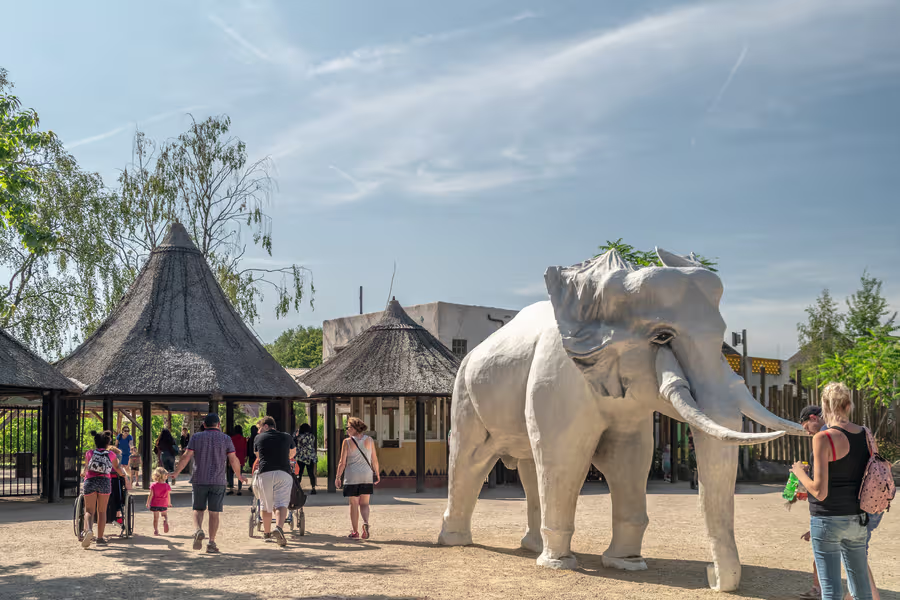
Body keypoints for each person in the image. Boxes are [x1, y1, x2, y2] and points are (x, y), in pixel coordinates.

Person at [791, 383, 873, 600]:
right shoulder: (866, 433)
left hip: (828, 519)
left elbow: (820, 491)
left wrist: (800, 473)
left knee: (831, 591)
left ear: (824, 405)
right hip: (858, 518)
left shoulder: (823, 438)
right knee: (862, 589)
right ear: (848, 404)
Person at [171, 413, 246, 554]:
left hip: (199, 478)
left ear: (204, 425)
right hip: (218, 480)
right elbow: (233, 459)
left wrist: (176, 473)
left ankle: (198, 530)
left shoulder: (196, 437)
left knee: (198, 509)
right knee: (214, 513)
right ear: (218, 425)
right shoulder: (226, 439)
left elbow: (186, 456)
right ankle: (211, 543)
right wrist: (239, 476)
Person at [80, 430, 130, 548]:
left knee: (88, 511)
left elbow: (86, 469)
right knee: (101, 511)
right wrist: (124, 475)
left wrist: (83, 474)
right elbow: (118, 469)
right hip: (104, 482)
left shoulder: (89, 453)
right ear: (107, 444)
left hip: (90, 481)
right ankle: (100, 538)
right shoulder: (111, 454)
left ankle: (89, 530)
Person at [253, 416, 296, 546]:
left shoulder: (258, 438)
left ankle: (266, 533)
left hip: (265, 473)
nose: (259, 430)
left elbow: (258, 456)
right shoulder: (287, 436)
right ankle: (278, 527)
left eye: (260, 427)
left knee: (266, 505)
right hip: (284, 472)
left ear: (266, 426)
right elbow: (293, 453)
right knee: (281, 504)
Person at [335, 417, 380, 539]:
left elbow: (342, 462)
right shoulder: (370, 440)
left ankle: (355, 532)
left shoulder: (347, 442)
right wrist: (377, 473)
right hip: (366, 476)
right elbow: (374, 459)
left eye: (348, 427)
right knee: (365, 503)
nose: (347, 430)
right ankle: (365, 523)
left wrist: (338, 476)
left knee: (354, 504)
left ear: (354, 428)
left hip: (352, 477)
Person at [147, 467, 173, 536]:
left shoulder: (153, 485)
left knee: (155, 518)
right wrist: (169, 503)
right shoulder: (167, 486)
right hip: (163, 503)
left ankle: (156, 530)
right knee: (164, 515)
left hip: (155, 503)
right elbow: (168, 495)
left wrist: (148, 503)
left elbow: (150, 495)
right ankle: (165, 520)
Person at [295, 422, 318, 494]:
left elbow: (293, 437)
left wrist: (297, 431)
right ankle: (313, 488)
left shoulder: (299, 436)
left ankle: (298, 488)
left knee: (299, 473)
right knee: (311, 473)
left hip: (301, 457)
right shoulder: (312, 436)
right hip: (310, 456)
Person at [227, 425, 248, 496]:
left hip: (233, 458)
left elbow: (229, 449)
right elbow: (245, 450)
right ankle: (239, 489)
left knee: (230, 473)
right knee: (240, 474)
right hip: (241, 458)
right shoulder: (244, 439)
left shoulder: (232, 439)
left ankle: (231, 489)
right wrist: (245, 458)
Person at [247, 424, 258, 492]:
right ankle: (255, 485)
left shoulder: (250, 439)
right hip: (257, 457)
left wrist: (247, 456)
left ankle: (253, 485)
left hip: (251, 457)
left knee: (253, 471)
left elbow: (248, 449)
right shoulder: (258, 438)